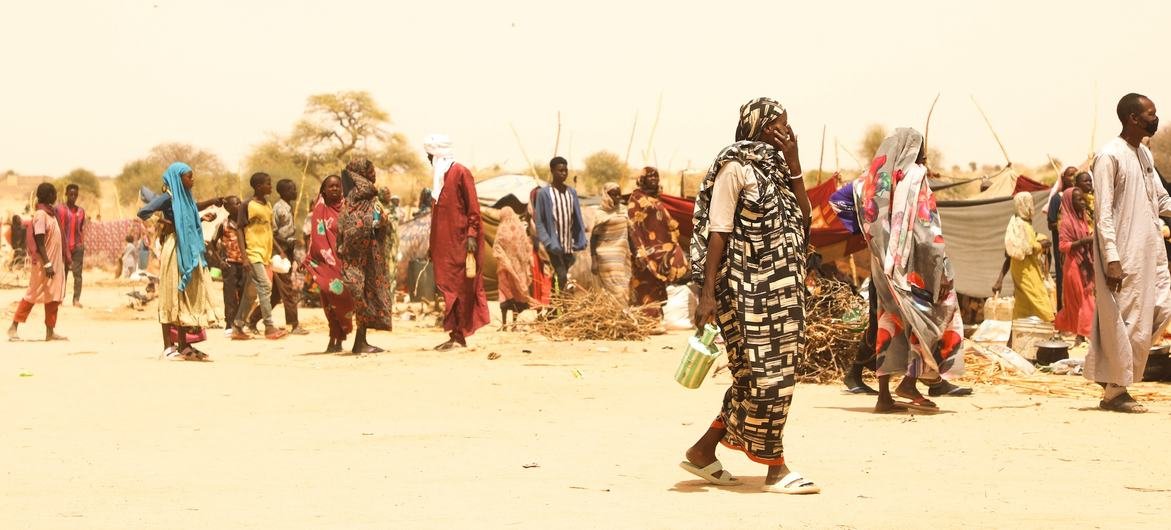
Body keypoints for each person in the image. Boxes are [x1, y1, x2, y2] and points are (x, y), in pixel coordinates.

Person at [684, 97, 819, 494]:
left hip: (782, 293)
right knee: (765, 378)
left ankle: (703, 451)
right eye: (779, 125)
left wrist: (794, 164)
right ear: (759, 127)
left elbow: (806, 216)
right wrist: (707, 294)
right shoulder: (736, 167)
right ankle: (775, 467)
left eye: (789, 126)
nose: (787, 132)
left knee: (758, 377)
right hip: (745, 292)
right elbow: (719, 231)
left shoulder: (779, 169)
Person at [855, 128, 964, 414]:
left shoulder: (869, 184)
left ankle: (884, 397)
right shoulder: (915, 178)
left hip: (883, 267)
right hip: (915, 267)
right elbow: (927, 230)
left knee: (887, 324)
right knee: (932, 317)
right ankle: (911, 383)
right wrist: (940, 269)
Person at [1086, 93, 1171, 413]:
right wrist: (1112, 257)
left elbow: (1161, 201)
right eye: (1151, 114)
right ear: (1133, 119)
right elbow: (1103, 212)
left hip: (1152, 251)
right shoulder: (1109, 156)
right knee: (1131, 321)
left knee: (1162, 308)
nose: (1155, 119)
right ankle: (1116, 390)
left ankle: (1114, 378)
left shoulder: (1145, 155)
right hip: (1125, 253)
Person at [136, 163, 222, 360]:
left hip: (189, 247)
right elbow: (144, 212)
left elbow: (188, 217)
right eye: (189, 177)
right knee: (171, 293)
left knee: (184, 296)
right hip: (174, 248)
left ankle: (184, 345)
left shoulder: (186, 199)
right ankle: (168, 347)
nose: (193, 180)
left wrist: (205, 214)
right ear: (178, 178)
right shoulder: (168, 198)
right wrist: (164, 222)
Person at [424, 134, 490, 351]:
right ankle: (454, 334)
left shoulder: (460, 172)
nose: (427, 159)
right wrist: (431, 246)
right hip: (443, 246)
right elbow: (438, 217)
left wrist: (471, 236)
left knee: (461, 290)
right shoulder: (438, 180)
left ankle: (460, 336)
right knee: (448, 290)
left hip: (461, 243)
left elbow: (473, 209)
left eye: (429, 155)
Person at [338, 160, 394, 353]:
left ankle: (360, 341)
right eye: (371, 171)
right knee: (363, 296)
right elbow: (371, 223)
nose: (374, 174)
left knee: (362, 296)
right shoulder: (366, 196)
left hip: (355, 256)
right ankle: (360, 343)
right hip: (365, 257)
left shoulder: (350, 198)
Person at [230, 172, 288, 341]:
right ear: (258, 186)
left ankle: (237, 326)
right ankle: (269, 326)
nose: (271, 186)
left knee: (250, 293)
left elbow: (269, 229)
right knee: (265, 286)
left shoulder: (268, 205)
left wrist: (278, 249)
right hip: (253, 253)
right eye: (268, 183)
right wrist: (244, 257)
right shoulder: (247, 205)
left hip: (265, 254)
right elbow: (240, 230)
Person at [8, 183, 68, 341]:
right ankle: (13, 327)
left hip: (54, 264)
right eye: (54, 194)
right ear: (48, 195)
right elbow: (40, 241)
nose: (55, 197)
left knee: (53, 296)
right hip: (44, 265)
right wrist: (47, 263)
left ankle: (50, 331)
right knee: (32, 293)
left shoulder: (51, 214)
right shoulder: (41, 214)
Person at [247, 179, 306, 335]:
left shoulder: (288, 207)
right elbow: (271, 233)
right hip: (281, 250)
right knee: (287, 289)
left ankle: (252, 321)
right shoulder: (278, 208)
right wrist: (281, 250)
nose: (295, 192)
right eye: (292, 189)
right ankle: (294, 325)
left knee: (276, 295)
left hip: (289, 249)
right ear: (284, 192)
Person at [306, 175, 357, 353]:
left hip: (344, 261)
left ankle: (340, 336)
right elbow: (314, 237)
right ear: (324, 190)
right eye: (331, 186)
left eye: (337, 186)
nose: (334, 189)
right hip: (325, 263)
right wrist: (308, 259)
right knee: (328, 299)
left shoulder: (347, 208)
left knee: (344, 298)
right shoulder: (319, 210)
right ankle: (333, 337)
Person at [628, 167, 688, 319]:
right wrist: (639, 251)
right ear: (642, 179)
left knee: (656, 284)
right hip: (644, 252)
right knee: (644, 284)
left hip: (659, 252)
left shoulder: (655, 199)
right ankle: (644, 319)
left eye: (656, 176)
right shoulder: (636, 198)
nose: (654, 179)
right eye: (650, 177)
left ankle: (655, 318)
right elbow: (633, 227)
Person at [993, 192, 1055, 322]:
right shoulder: (1019, 224)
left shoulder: (1024, 223)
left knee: (1023, 306)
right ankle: (1052, 335)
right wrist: (1040, 244)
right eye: (1029, 202)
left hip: (1027, 268)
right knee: (1041, 299)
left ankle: (1012, 339)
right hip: (1025, 271)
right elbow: (1016, 251)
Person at [534, 156, 587, 294]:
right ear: (552, 171)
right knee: (562, 275)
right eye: (560, 170)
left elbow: (577, 217)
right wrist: (547, 242)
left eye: (565, 170)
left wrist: (581, 238)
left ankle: (553, 311)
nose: (563, 173)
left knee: (560, 277)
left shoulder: (571, 193)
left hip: (569, 244)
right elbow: (539, 221)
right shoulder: (544, 193)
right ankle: (565, 308)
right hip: (554, 245)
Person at [1054, 187, 1095, 341]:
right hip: (1074, 265)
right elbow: (1063, 246)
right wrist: (1083, 242)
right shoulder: (1066, 222)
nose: (1083, 202)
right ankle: (1086, 332)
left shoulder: (1082, 219)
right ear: (1070, 203)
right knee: (1082, 300)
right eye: (1079, 199)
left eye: (1083, 198)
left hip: (1084, 264)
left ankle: (1080, 334)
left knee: (1082, 300)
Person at [493, 206, 534, 330]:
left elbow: (496, 247)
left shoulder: (502, 229)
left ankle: (505, 324)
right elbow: (526, 247)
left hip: (505, 270)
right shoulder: (521, 228)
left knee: (505, 293)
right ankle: (515, 323)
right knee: (517, 294)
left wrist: (504, 260)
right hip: (519, 269)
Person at [211, 196, 247, 336]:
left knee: (243, 293)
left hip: (244, 263)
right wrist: (220, 260)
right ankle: (229, 323)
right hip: (230, 263)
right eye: (236, 203)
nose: (240, 205)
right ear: (228, 208)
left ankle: (240, 323)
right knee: (230, 294)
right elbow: (212, 243)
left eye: (240, 202)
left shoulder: (244, 223)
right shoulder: (223, 224)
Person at [590, 182, 631, 300]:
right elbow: (594, 238)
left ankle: (619, 315)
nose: (617, 198)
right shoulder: (600, 213)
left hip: (621, 257)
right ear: (606, 195)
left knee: (623, 287)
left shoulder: (623, 210)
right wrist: (594, 261)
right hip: (606, 258)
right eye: (614, 195)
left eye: (619, 195)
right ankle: (615, 313)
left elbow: (629, 234)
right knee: (614, 290)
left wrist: (636, 252)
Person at [1046, 167, 1077, 312]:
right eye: (1070, 175)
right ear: (1063, 178)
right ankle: (1063, 312)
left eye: (1075, 175)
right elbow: (1051, 223)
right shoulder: (1057, 198)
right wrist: (1067, 226)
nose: (1073, 177)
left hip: (1078, 246)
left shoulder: (1079, 198)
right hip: (1063, 247)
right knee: (1063, 278)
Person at [57, 183, 86, 308]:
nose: (73, 197)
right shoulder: (59, 209)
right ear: (66, 194)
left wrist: (81, 244)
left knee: (78, 275)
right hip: (63, 247)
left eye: (75, 194)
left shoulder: (81, 211)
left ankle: (76, 300)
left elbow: (80, 228)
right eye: (71, 194)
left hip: (77, 247)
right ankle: (60, 299)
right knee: (63, 274)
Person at [528, 186, 553, 309]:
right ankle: (540, 308)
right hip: (537, 252)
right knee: (538, 280)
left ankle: (550, 307)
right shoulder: (530, 216)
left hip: (552, 250)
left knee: (551, 279)